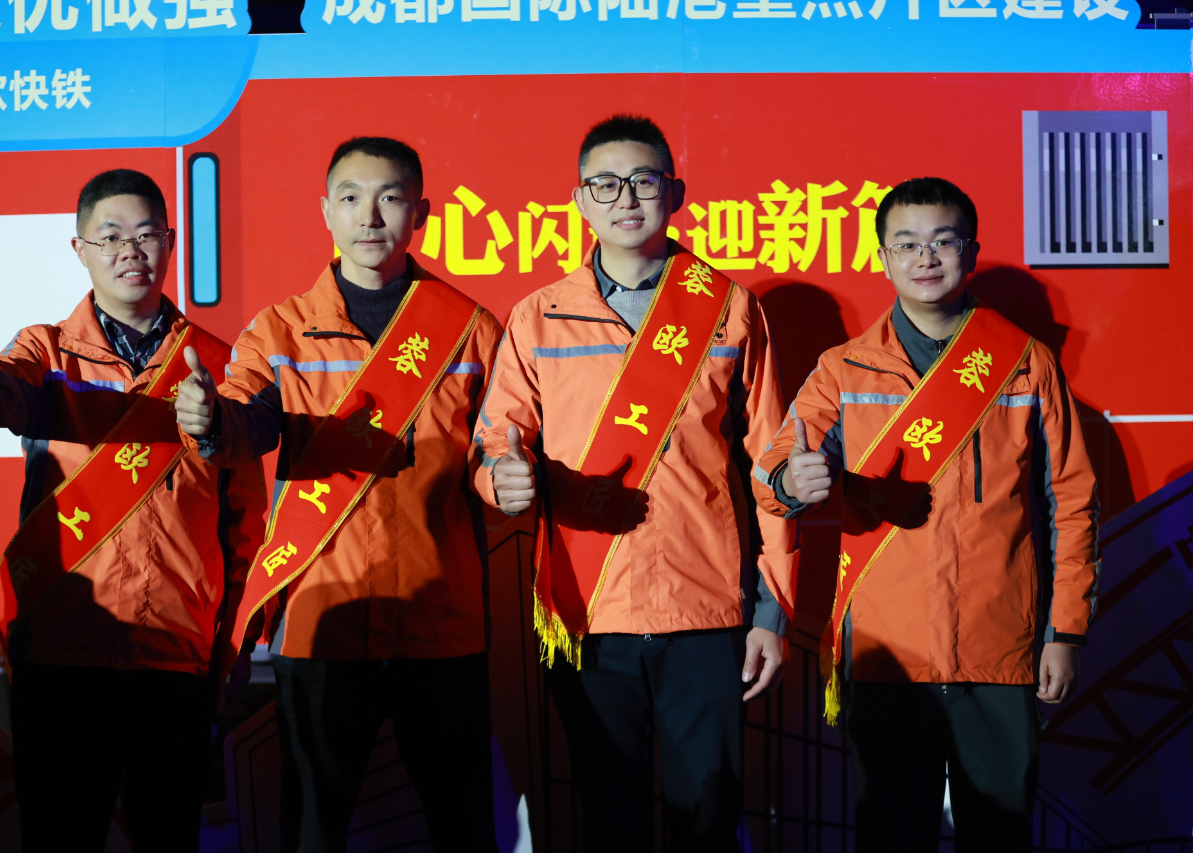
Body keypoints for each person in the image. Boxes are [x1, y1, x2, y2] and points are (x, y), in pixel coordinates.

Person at [471, 114, 797, 852]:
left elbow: (773, 465)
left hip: (706, 611)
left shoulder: (729, 308)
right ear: (579, 200)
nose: (625, 198)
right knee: (608, 821)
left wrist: (771, 614)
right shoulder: (539, 316)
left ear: (674, 194)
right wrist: (502, 480)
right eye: (605, 184)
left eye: (644, 181)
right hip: (588, 613)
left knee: (707, 824)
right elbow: (495, 444)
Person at [175, 136, 504, 853]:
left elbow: (496, 447)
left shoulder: (471, 330)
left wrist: (507, 475)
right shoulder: (282, 330)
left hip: (441, 620)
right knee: (313, 831)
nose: (370, 217)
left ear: (421, 212)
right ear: (326, 210)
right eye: (351, 198)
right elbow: (247, 425)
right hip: (322, 619)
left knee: (465, 828)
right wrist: (210, 422)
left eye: (390, 198)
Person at [754, 177, 1099, 852]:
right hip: (887, 654)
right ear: (883, 257)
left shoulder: (1026, 365)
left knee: (1000, 836)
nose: (926, 258)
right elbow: (773, 472)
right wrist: (793, 478)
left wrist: (1066, 632)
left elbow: (1072, 502)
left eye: (943, 241)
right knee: (891, 836)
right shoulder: (844, 370)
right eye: (907, 244)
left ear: (971, 250)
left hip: (1000, 650)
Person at [0, 168, 267, 852]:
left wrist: (233, 638)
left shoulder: (219, 365)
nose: (129, 251)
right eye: (110, 236)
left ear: (170, 243)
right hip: (62, 652)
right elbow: (6, 394)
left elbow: (246, 524)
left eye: (146, 235)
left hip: (173, 655)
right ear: (80, 249)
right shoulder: (47, 352)